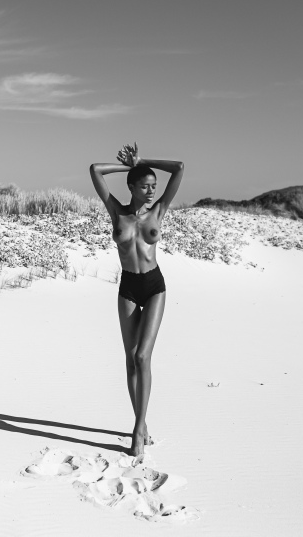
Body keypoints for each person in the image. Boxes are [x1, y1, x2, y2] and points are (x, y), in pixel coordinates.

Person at [89, 143, 184, 456]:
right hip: (128, 286)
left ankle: (137, 431)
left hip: (154, 285)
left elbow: (179, 167)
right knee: (130, 359)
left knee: (143, 357)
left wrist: (144, 161)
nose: (150, 192)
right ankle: (141, 423)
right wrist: (130, 166)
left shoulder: (158, 211)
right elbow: (95, 170)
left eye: (153, 187)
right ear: (131, 187)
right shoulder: (117, 211)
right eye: (144, 186)